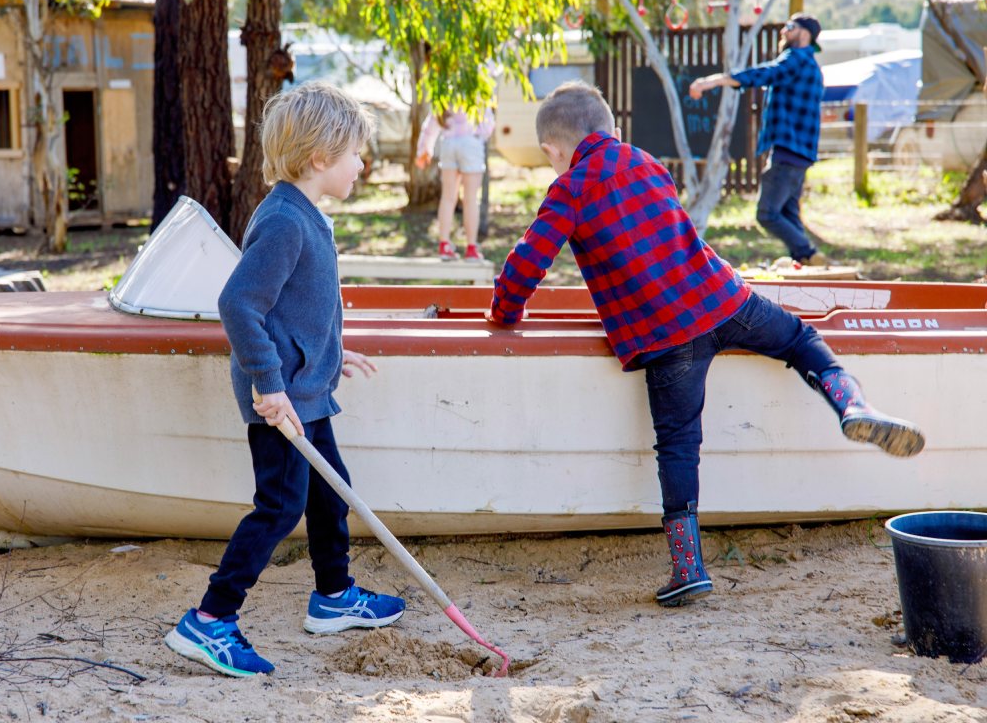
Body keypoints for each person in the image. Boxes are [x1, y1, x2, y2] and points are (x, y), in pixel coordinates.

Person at [487, 81, 925, 608]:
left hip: (665, 334)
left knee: (677, 443)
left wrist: (504, 313)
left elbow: (527, 263)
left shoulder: (570, 188)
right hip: (724, 299)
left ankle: (688, 566)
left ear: (552, 151)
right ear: (613, 129)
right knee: (800, 339)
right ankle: (853, 406)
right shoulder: (647, 162)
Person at [164, 82, 406, 677]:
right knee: (279, 507)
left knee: (331, 491)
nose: (362, 165)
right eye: (354, 154)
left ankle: (333, 596)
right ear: (320, 157)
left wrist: (329, 356)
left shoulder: (305, 214)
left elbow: (293, 310)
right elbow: (239, 304)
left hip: (307, 392)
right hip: (280, 401)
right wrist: (270, 385)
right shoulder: (284, 221)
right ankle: (210, 619)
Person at [689, 12, 827, 266]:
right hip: (801, 154)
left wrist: (714, 81)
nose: (784, 31)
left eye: (790, 26)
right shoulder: (812, 67)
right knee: (788, 214)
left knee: (767, 214)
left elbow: (766, 73)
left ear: (804, 34)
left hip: (787, 151)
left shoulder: (796, 59)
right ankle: (807, 259)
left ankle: (806, 252)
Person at [416, 106, 495, 262]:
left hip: (448, 143)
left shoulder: (445, 93)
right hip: (471, 142)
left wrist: (423, 149)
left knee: (447, 197)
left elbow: (431, 124)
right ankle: (471, 249)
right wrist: (479, 136)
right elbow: (488, 123)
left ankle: (444, 245)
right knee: (470, 199)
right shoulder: (477, 92)